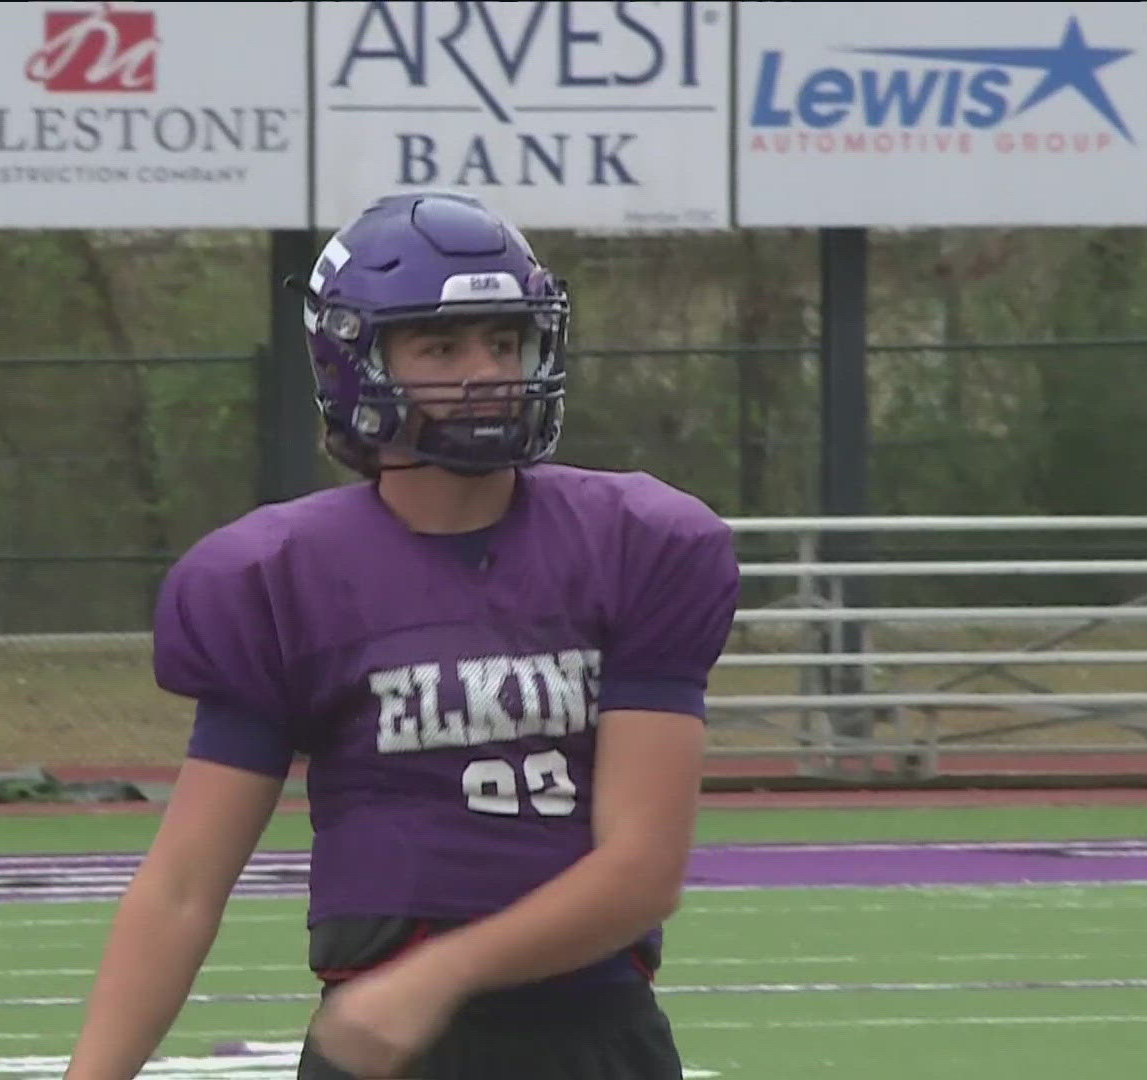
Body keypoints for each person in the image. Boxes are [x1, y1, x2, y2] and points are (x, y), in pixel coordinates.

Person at [61, 190, 742, 1080]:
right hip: (383, 1045)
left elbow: (645, 870)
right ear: (357, 361)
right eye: (441, 346)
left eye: (505, 341)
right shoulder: (280, 578)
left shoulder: (637, 544)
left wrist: (443, 976)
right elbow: (184, 889)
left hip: (588, 1035)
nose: (488, 370)